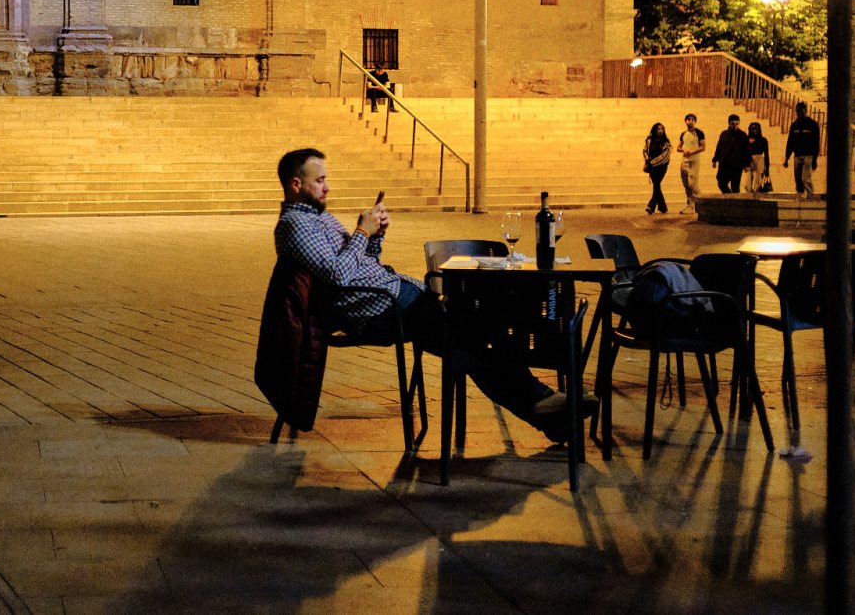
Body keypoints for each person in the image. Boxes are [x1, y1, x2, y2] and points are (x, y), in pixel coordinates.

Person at [271, 148, 591, 443]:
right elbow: (339, 276)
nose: (327, 187)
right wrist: (361, 232)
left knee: (476, 336)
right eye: (320, 180)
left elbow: (360, 264)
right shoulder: (296, 225)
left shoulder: (319, 218)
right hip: (378, 312)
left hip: (397, 299)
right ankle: (542, 402)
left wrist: (374, 237)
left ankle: (548, 412)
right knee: (473, 335)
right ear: (296, 184)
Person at [785, 101, 821, 195]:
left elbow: (816, 142)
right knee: (798, 179)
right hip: (797, 155)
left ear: (805, 111)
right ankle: (800, 195)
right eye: (797, 112)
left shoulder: (812, 124)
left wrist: (815, 159)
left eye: (801, 111)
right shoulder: (794, 125)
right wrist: (787, 157)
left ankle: (810, 196)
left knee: (805, 178)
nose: (799, 114)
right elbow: (790, 142)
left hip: (808, 155)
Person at [676, 112, 707, 214]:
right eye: (688, 119)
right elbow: (678, 147)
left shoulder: (699, 133)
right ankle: (690, 205)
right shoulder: (683, 134)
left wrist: (691, 152)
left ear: (695, 122)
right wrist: (683, 151)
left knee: (693, 183)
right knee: (686, 183)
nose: (690, 121)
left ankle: (700, 204)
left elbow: (702, 147)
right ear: (685, 121)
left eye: (692, 120)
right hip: (685, 160)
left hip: (694, 160)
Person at [711, 114, 750, 194]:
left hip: (737, 164)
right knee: (721, 182)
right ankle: (729, 197)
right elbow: (719, 147)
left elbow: (747, 150)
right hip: (724, 163)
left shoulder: (743, 135)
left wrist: (747, 164)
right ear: (729, 123)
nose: (735, 126)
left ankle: (735, 203)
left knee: (735, 185)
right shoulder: (724, 134)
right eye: (733, 124)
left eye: (737, 124)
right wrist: (715, 159)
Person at [642, 122, 671, 215]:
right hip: (652, 167)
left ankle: (651, 206)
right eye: (658, 129)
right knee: (657, 186)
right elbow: (645, 150)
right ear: (655, 130)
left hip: (661, 167)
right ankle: (663, 207)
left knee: (656, 185)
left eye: (662, 129)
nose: (660, 131)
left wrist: (652, 163)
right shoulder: (649, 140)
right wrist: (647, 160)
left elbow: (665, 156)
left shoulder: (666, 142)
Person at [745, 121, 771, 193]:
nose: (754, 131)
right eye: (752, 129)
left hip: (759, 159)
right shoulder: (746, 140)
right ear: (750, 130)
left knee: (757, 182)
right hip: (748, 159)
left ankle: (756, 197)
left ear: (759, 130)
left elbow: (766, 155)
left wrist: (767, 169)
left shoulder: (763, 140)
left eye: (756, 129)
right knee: (747, 184)